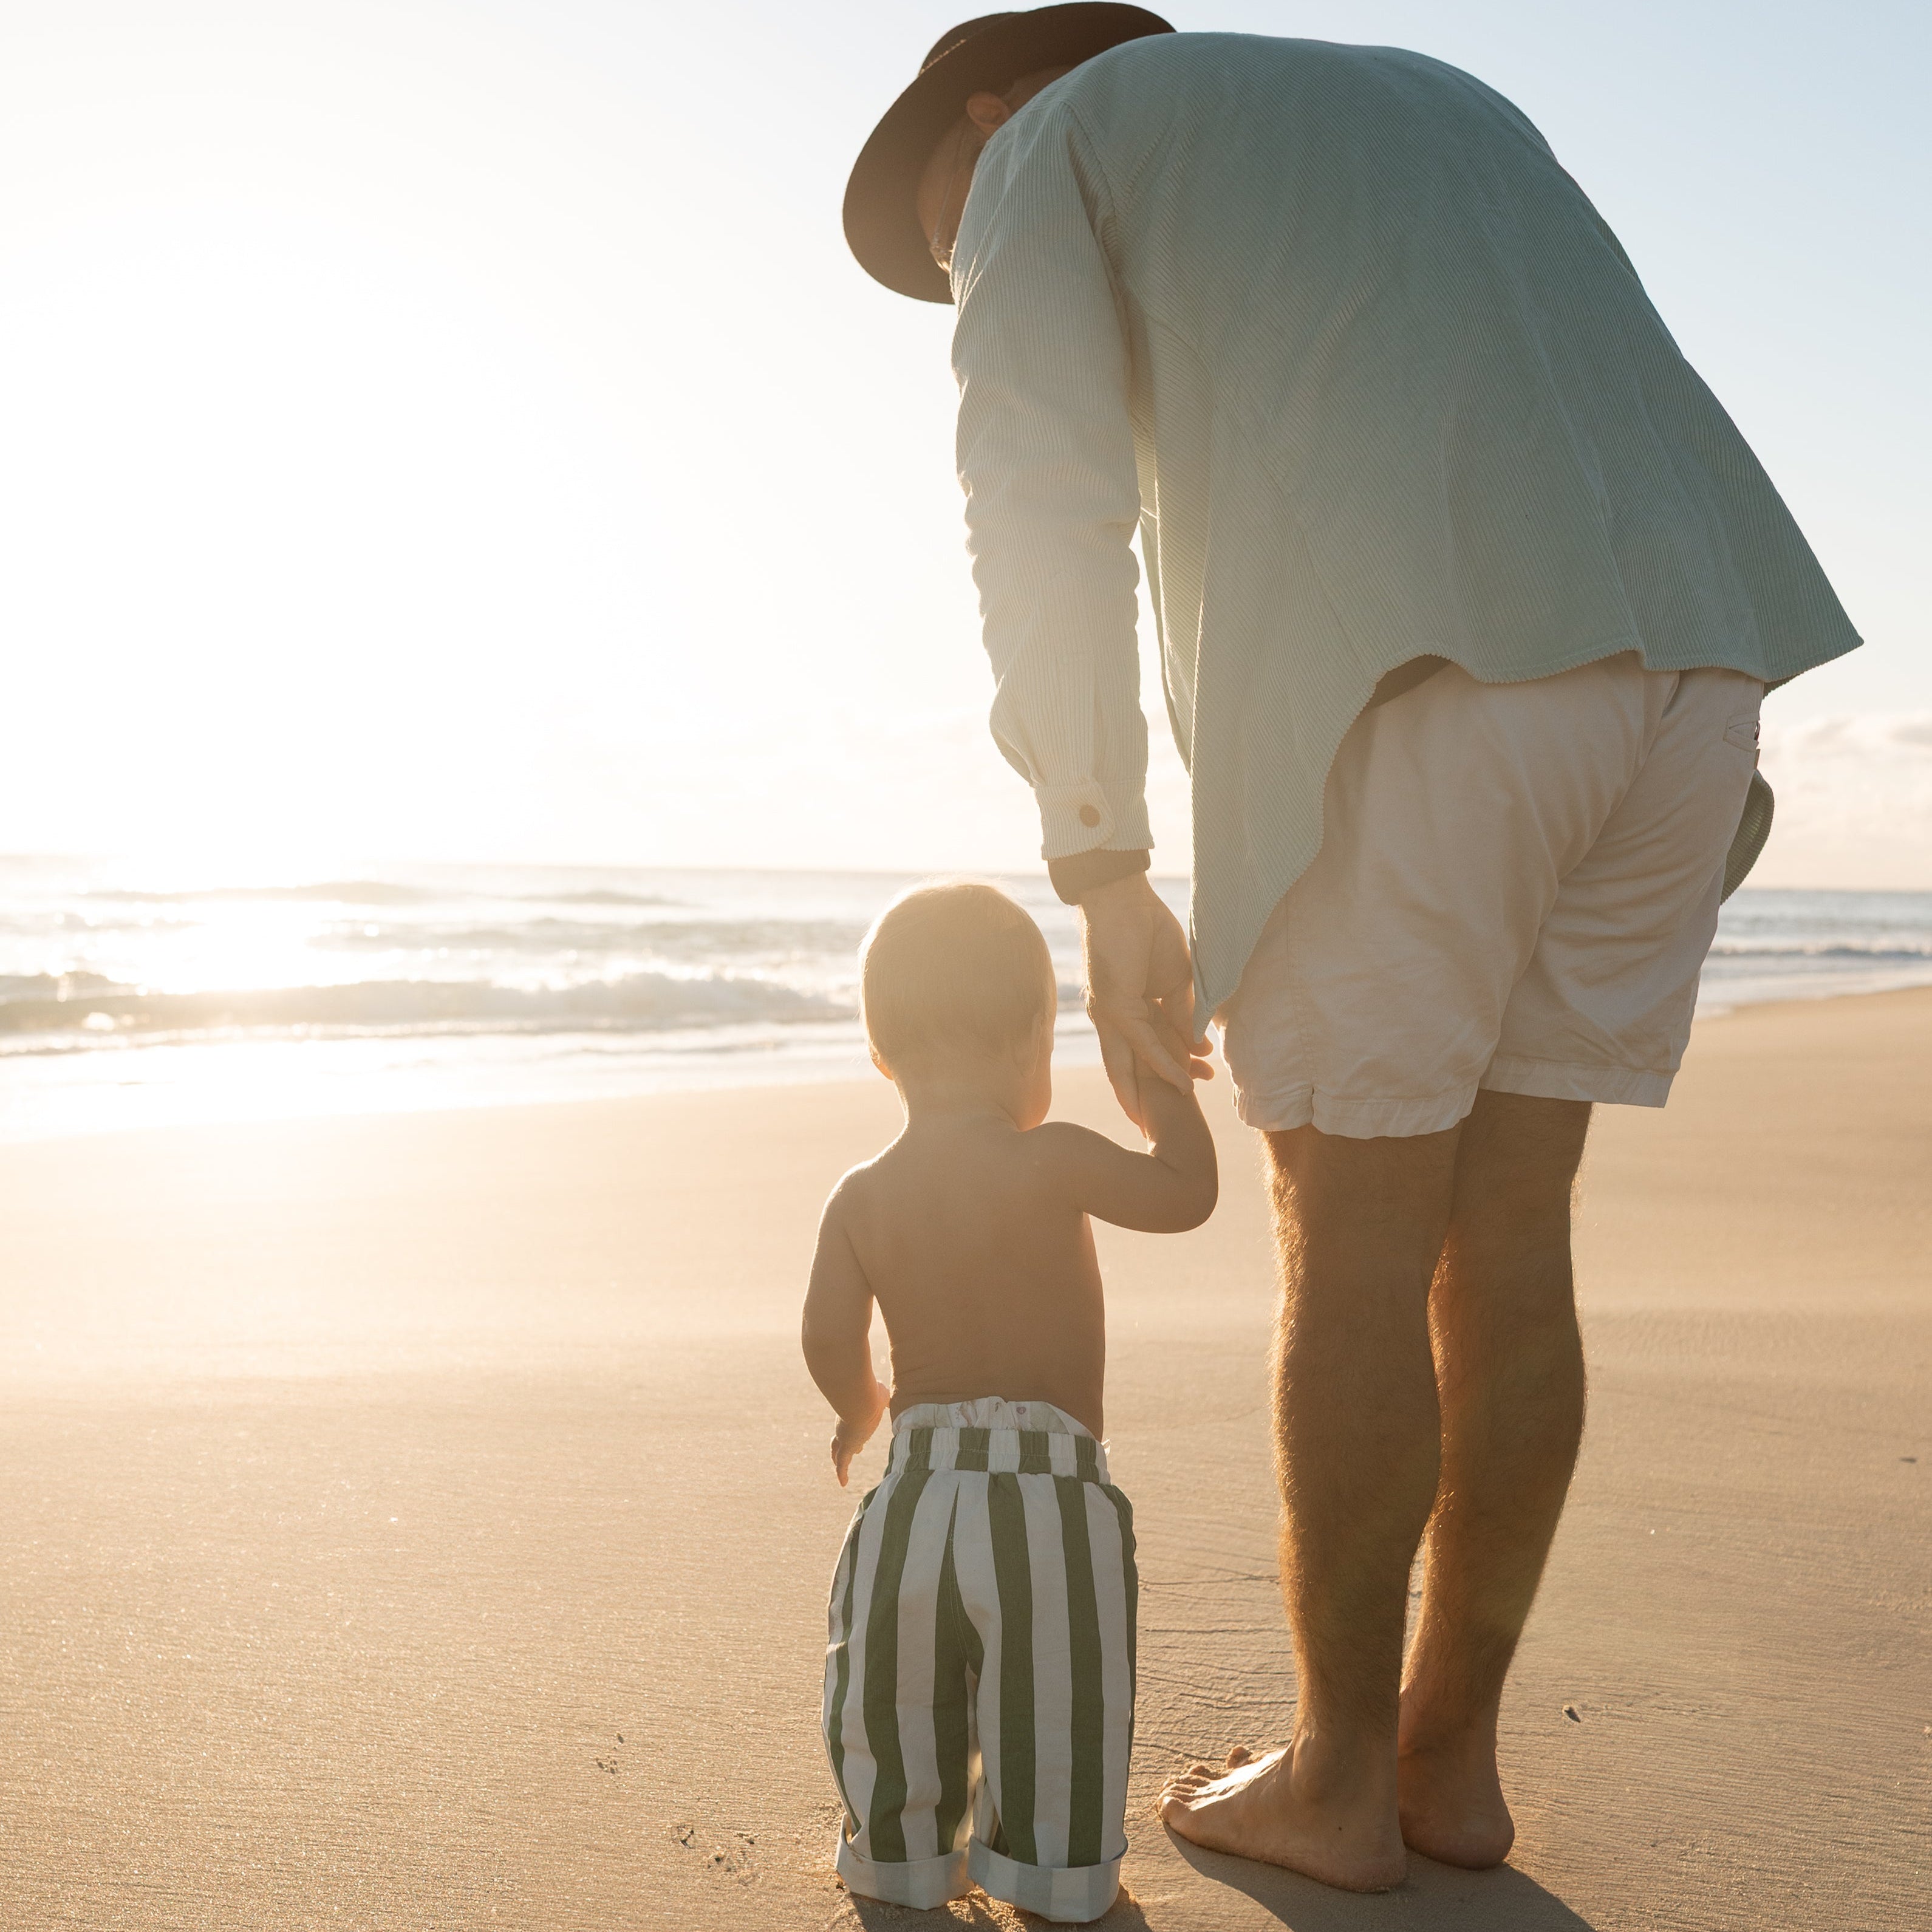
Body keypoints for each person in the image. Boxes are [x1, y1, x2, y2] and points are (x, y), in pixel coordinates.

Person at [841, 5, 1861, 1895]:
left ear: (988, 106)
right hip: (1689, 670)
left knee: (1360, 1228)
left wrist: (1101, 857)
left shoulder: (1056, 149)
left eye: (940, 227)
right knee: (1517, 1223)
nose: (955, 261)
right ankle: (1442, 1766)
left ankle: (1334, 1777)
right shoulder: (1435, 94)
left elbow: (1038, 504)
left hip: (1422, 690)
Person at [804, 880, 1217, 1922]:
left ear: (878, 1052)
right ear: (1037, 1035)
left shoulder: (859, 1196)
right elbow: (1186, 1191)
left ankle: (897, 1856)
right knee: (1058, 1705)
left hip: (913, 1490)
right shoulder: (1054, 1157)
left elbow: (826, 1336)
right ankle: (1054, 1871)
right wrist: (1154, 1080)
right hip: (1048, 1500)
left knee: (892, 1696)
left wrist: (860, 1406)